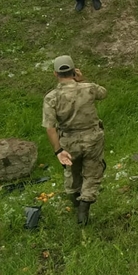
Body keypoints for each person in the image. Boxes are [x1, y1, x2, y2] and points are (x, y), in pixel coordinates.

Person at [42, 55, 107, 226]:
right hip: (92, 138)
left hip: (69, 140)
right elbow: (103, 93)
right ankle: (85, 208)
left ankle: (76, 203)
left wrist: (58, 150)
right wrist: (83, 80)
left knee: (72, 173)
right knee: (92, 171)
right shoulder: (89, 88)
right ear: (74, 70)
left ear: (55, 74)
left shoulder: (51, 97)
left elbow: (50, 127)